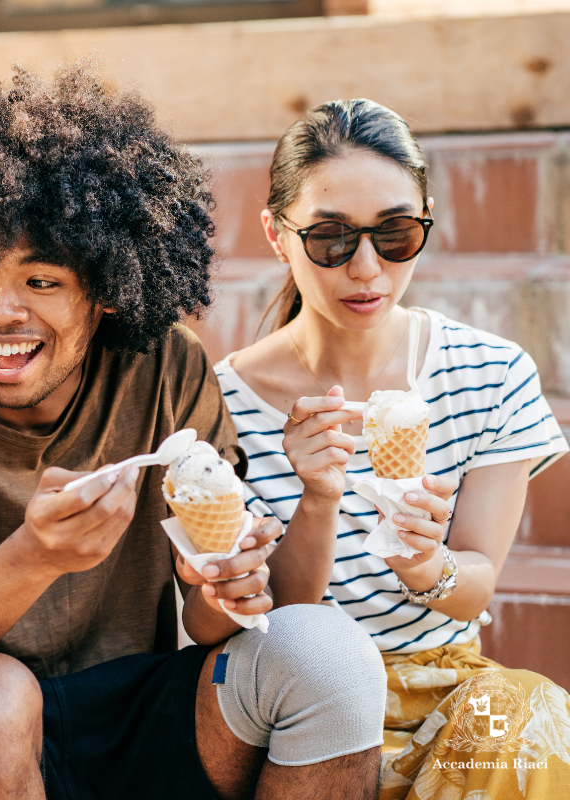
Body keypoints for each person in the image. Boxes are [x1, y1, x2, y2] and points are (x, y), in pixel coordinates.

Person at [0, 64, 388, 800]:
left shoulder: (164, 371)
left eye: (42, 281)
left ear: (110, 294)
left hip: (131, 711)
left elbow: (216, 622)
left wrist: (220, 581)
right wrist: (34, 558)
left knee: (328, 655)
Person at [217, 98, 570, 799]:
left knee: (530, 716)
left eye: (396, 233)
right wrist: (317, 499)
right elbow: (272, 616)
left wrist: (427, 564)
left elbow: (473, 590)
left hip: (443, 683)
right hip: (294, 697)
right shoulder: (224, 401)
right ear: (277, 235)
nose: (367, 268)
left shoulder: (488, 373)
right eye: (330, 239)